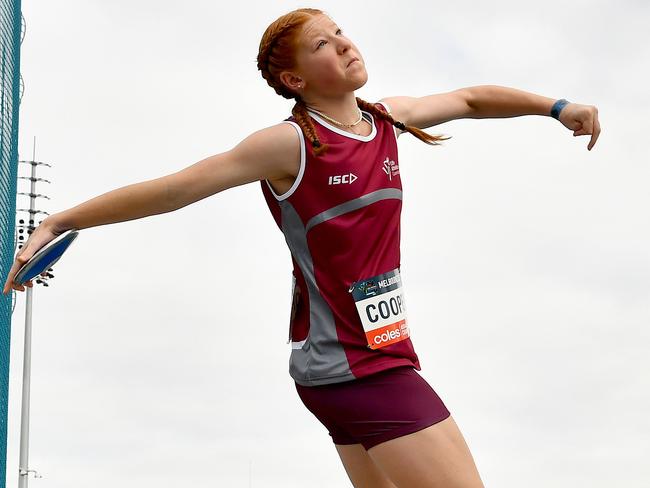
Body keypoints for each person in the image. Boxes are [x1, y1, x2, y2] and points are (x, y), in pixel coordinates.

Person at [3, 7, 600, 488]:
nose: (343, 43)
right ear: (294, 80)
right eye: (322, 45)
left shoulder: (387, 121)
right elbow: (175, 190)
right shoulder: (290, 145)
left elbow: (470, 100)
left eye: (340, 32)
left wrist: (556, 107)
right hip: (351, 367)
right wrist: (59, 220)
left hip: (371, 359)